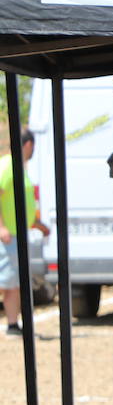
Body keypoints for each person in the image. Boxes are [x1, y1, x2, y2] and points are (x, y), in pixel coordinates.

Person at [0, 129, 51, 336]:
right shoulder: (8, 166)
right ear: (28, 144)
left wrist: (37, 224)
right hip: (9, 235)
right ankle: (12, 325)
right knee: (10, 282)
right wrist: (1, 226)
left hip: (18, 233)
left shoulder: (19, 167)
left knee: (16, 281)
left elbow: (20, 203)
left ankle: (15, 323)